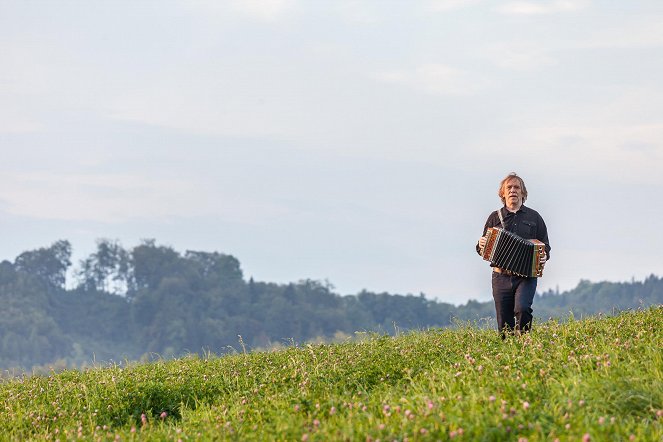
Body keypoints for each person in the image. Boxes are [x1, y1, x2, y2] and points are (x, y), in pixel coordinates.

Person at [476, 172, 550, 338]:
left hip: (526, 276)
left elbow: (546, 247)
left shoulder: (534, 217)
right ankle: (508, 354)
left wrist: (544, 256)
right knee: (504, 322)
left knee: (522, 308)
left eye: (517, 187)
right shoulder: (494, 218)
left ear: (523, 193)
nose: (512, 190)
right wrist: (480, 245)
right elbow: (482, 249)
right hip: (500, 276)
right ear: (503, 193)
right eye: (509, 187)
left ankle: (524, 343)